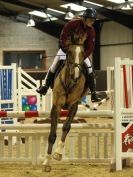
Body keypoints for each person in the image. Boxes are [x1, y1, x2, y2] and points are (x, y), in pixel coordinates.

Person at [36, 8, 101, 102]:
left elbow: (90, 47)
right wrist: (68, 51)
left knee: (90, 69)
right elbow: (63, 38)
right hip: (65, 49)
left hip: (80, 53)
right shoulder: (72, 24)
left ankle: (93, 93)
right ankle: (45, 86)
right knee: (54, 65)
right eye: (90, 19)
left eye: (93, 20)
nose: (92, 21)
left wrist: (82, 56)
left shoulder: (91, 31)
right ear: (84, 18)